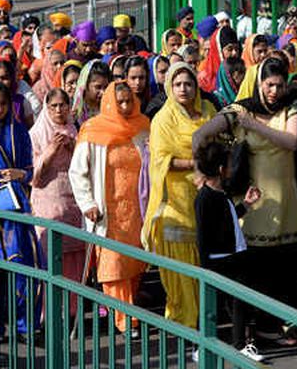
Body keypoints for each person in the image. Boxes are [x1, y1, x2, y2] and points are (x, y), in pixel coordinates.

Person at [194, 56, 297, 343]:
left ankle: (285, 325)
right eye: (269, 85)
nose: (274, 91)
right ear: (258, 82)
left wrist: (254, 126)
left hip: (287, 200)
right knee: (256, 267)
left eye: (279, 85)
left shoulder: (293, 107)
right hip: (254, 202)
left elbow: (291, 141)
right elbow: (201, 135)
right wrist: (203, 173)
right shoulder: (240, 110)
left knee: (287, 267)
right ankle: (258, 327)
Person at [69, 82, 150, 334]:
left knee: (134, 264)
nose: (125, 107)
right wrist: (87, 203)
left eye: (129, 101)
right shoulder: (93, 130)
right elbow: (77, 171)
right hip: (107, 212)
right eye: (120, 102)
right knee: (113, 267)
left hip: (136, 209)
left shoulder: (143, 127)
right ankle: (126, 320)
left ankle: (129, 311)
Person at [143, 62, 214, 329]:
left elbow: (221, 140)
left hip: (205, 196)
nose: (183, 89)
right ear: (169, 88)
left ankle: (205, 320)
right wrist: (196, 164)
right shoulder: (163, 118)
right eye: (177, 84)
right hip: (175, 202)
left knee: (205, 263)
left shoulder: (208, 111)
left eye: (188, 83)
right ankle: (184, 320)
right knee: (180, 269)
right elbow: (160, 160)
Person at [0, 79, 42, 336]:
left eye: (3, 104)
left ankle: (25, 323)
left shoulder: (18, 131)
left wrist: (19, 174)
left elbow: (30, 171)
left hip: (16, 205)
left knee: (23, 260)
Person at [194, 139, 264, 361]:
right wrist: (205, 267)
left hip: (233, 256)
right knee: (213, 304)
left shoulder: (219, 193)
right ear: (222, 169)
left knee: (238, 301)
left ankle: (240, 344)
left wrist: (246, 204)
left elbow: (227, 219)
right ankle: (201, 346)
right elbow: (203, 236)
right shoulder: (205, 198)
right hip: (218, 260)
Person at [29, 88, 86, 298]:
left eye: (63, 105)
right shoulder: (37, 133)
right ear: (47, 107)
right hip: (48, 199)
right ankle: (47, 308)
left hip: (73, 200)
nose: (59, 110)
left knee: (74, 255)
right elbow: (32, 175)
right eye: (54, 106)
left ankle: (72, 308)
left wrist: (74, 148)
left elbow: (85, 165)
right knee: (49, 253)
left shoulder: (75, 129)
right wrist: (49, 152)